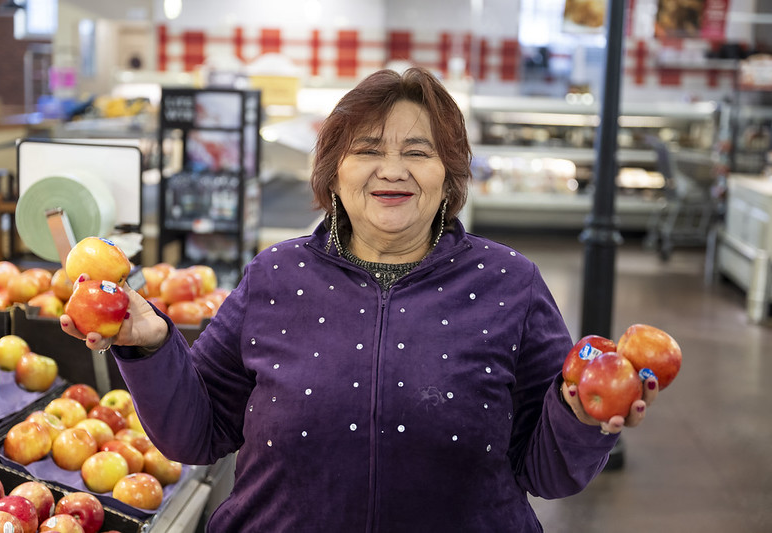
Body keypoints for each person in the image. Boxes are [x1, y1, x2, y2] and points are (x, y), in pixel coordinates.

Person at [61, 67, 658, 532]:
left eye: (418, 152)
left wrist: (582, 420)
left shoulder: (510, 283)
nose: (391, 170)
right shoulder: (275, 274)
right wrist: (153, 347)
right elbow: (197, 434)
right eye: (368, 149)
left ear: (448, 177)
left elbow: (545, 471)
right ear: (334, 171)